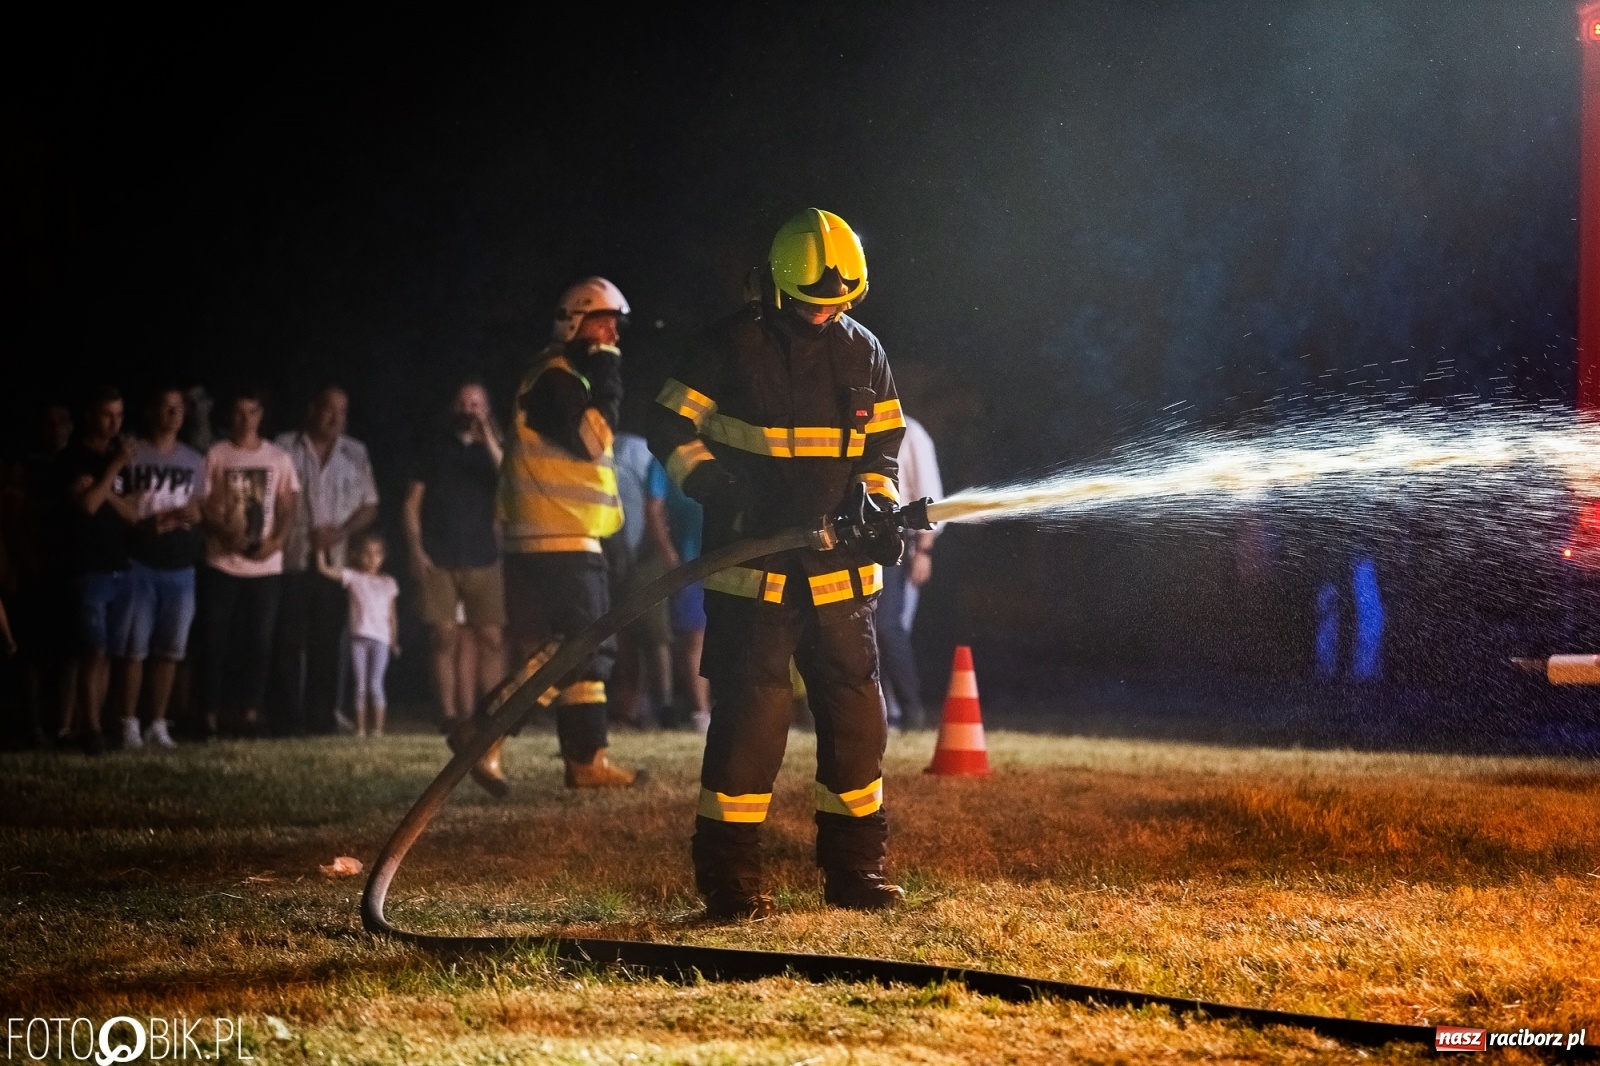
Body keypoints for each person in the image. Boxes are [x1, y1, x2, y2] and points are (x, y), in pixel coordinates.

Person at [647, 209, 908, 919]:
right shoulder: (729, 346)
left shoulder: (865, 351)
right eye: (812, 302)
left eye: (838, 302)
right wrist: (713, 485)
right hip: (754, 575)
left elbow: (882, 453)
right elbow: (668, 426)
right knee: (749, 728)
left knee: (857, 728)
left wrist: (877, 504)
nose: (825, 315)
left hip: (842, 582)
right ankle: (731, 885)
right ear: (775, 284)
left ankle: (857, 873)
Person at [454, 277, 641, 792]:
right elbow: (595, 441)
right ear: (574, 322)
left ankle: (587, 761)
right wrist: (609, 377)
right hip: (554, 535)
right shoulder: (555, 378)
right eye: (604, 324)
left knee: (589, 651)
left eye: (616, 328)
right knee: (577, 645)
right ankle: (481, 729)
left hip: (569, 533)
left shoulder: (563, 378)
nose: (613, 338)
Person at [273, 386, 379, 734]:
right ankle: (287, 718)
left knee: (326, 642)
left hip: (334, 563)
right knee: (289, 640)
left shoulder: (355, 452)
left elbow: (369, 504)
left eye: (343, 412)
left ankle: (321, 718)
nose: (336, 418)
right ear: (312, 410)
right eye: (329, 410)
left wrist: (342, 530)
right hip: (292, 558)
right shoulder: (284, 446)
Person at [403, 380, 506, 733]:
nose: (469, 410)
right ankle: (447, 715)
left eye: (476, 404)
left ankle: (492, 712)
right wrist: (416, 550)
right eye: (464, 403)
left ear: (487, 409)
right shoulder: (436, 448)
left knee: (491, 637)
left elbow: (508, 480)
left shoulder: (494, 450)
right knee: (444, 636)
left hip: (483, 556)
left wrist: (488, 437)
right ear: (454, 408)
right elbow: (411, 505)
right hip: (440, 555)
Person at [197, 387, 300, 738]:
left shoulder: (278, 457)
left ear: (261, 415)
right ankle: (208, 714)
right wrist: (224, 531)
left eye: (252, 412)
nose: (246, 420)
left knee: (260, 641)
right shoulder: (217, 454)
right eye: (239, 412)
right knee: (214, 639)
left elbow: (288, 502)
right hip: (222, 560)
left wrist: (277, 540)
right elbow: (202, 502)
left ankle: (250, 713)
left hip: (265, 564)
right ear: (231, 415)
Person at [117, 386, 207, 749]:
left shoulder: (193, 459)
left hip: (180, 564)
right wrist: (141, 524)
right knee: (135, 647)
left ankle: (157, 722)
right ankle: (127, 723)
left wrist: (193, 513)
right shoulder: (133, 453)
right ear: (151, 411)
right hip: (140, 560)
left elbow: (200, 506)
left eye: (178, 408)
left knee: (171, 649)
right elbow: (118, 502)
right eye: (165, 407)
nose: (173, 414)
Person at [61, 386, 140, 753]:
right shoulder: (74, 458)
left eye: (120, 416)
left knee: (107, 652)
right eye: (108, 415)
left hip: (119, 565)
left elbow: (133, 513)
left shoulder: (118, 461)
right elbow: (87, 506)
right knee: (92, 651)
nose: (115, 423)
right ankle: (88, 729)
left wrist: (106, 487)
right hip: (88, 567)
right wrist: (110, 474)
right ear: (92, 416)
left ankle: (96, 726)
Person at [876, 413, 943, 730]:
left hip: (898, 539)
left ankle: (910, 710)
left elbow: (930, 499)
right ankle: (884, 712)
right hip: (862, 540)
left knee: (889, 627)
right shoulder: (861, 427)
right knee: (866, 631)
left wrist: (924, 552)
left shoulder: (912, 432)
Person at [605, 431, 675, 728]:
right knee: (625, 635)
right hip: (612, 556)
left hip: (645, 556)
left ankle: (666, 705)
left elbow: (656, 503)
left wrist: (658, 549)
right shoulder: (598, 447)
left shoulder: (640, 449)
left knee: (656, 634)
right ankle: (632, 705)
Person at [317, 531, 399, 738]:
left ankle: (378, 729)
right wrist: (319, 548)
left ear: (383, 556)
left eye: (377, 554)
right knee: (361, 685)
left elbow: (392, 616)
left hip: (381, 640)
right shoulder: (353, 577)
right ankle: (360, 729)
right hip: (359, 639)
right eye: (367, 553)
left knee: (375, 684)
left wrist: (394, 640)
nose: (372, 558)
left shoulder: (388, 583)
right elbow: (324, 570)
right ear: (358, 555)